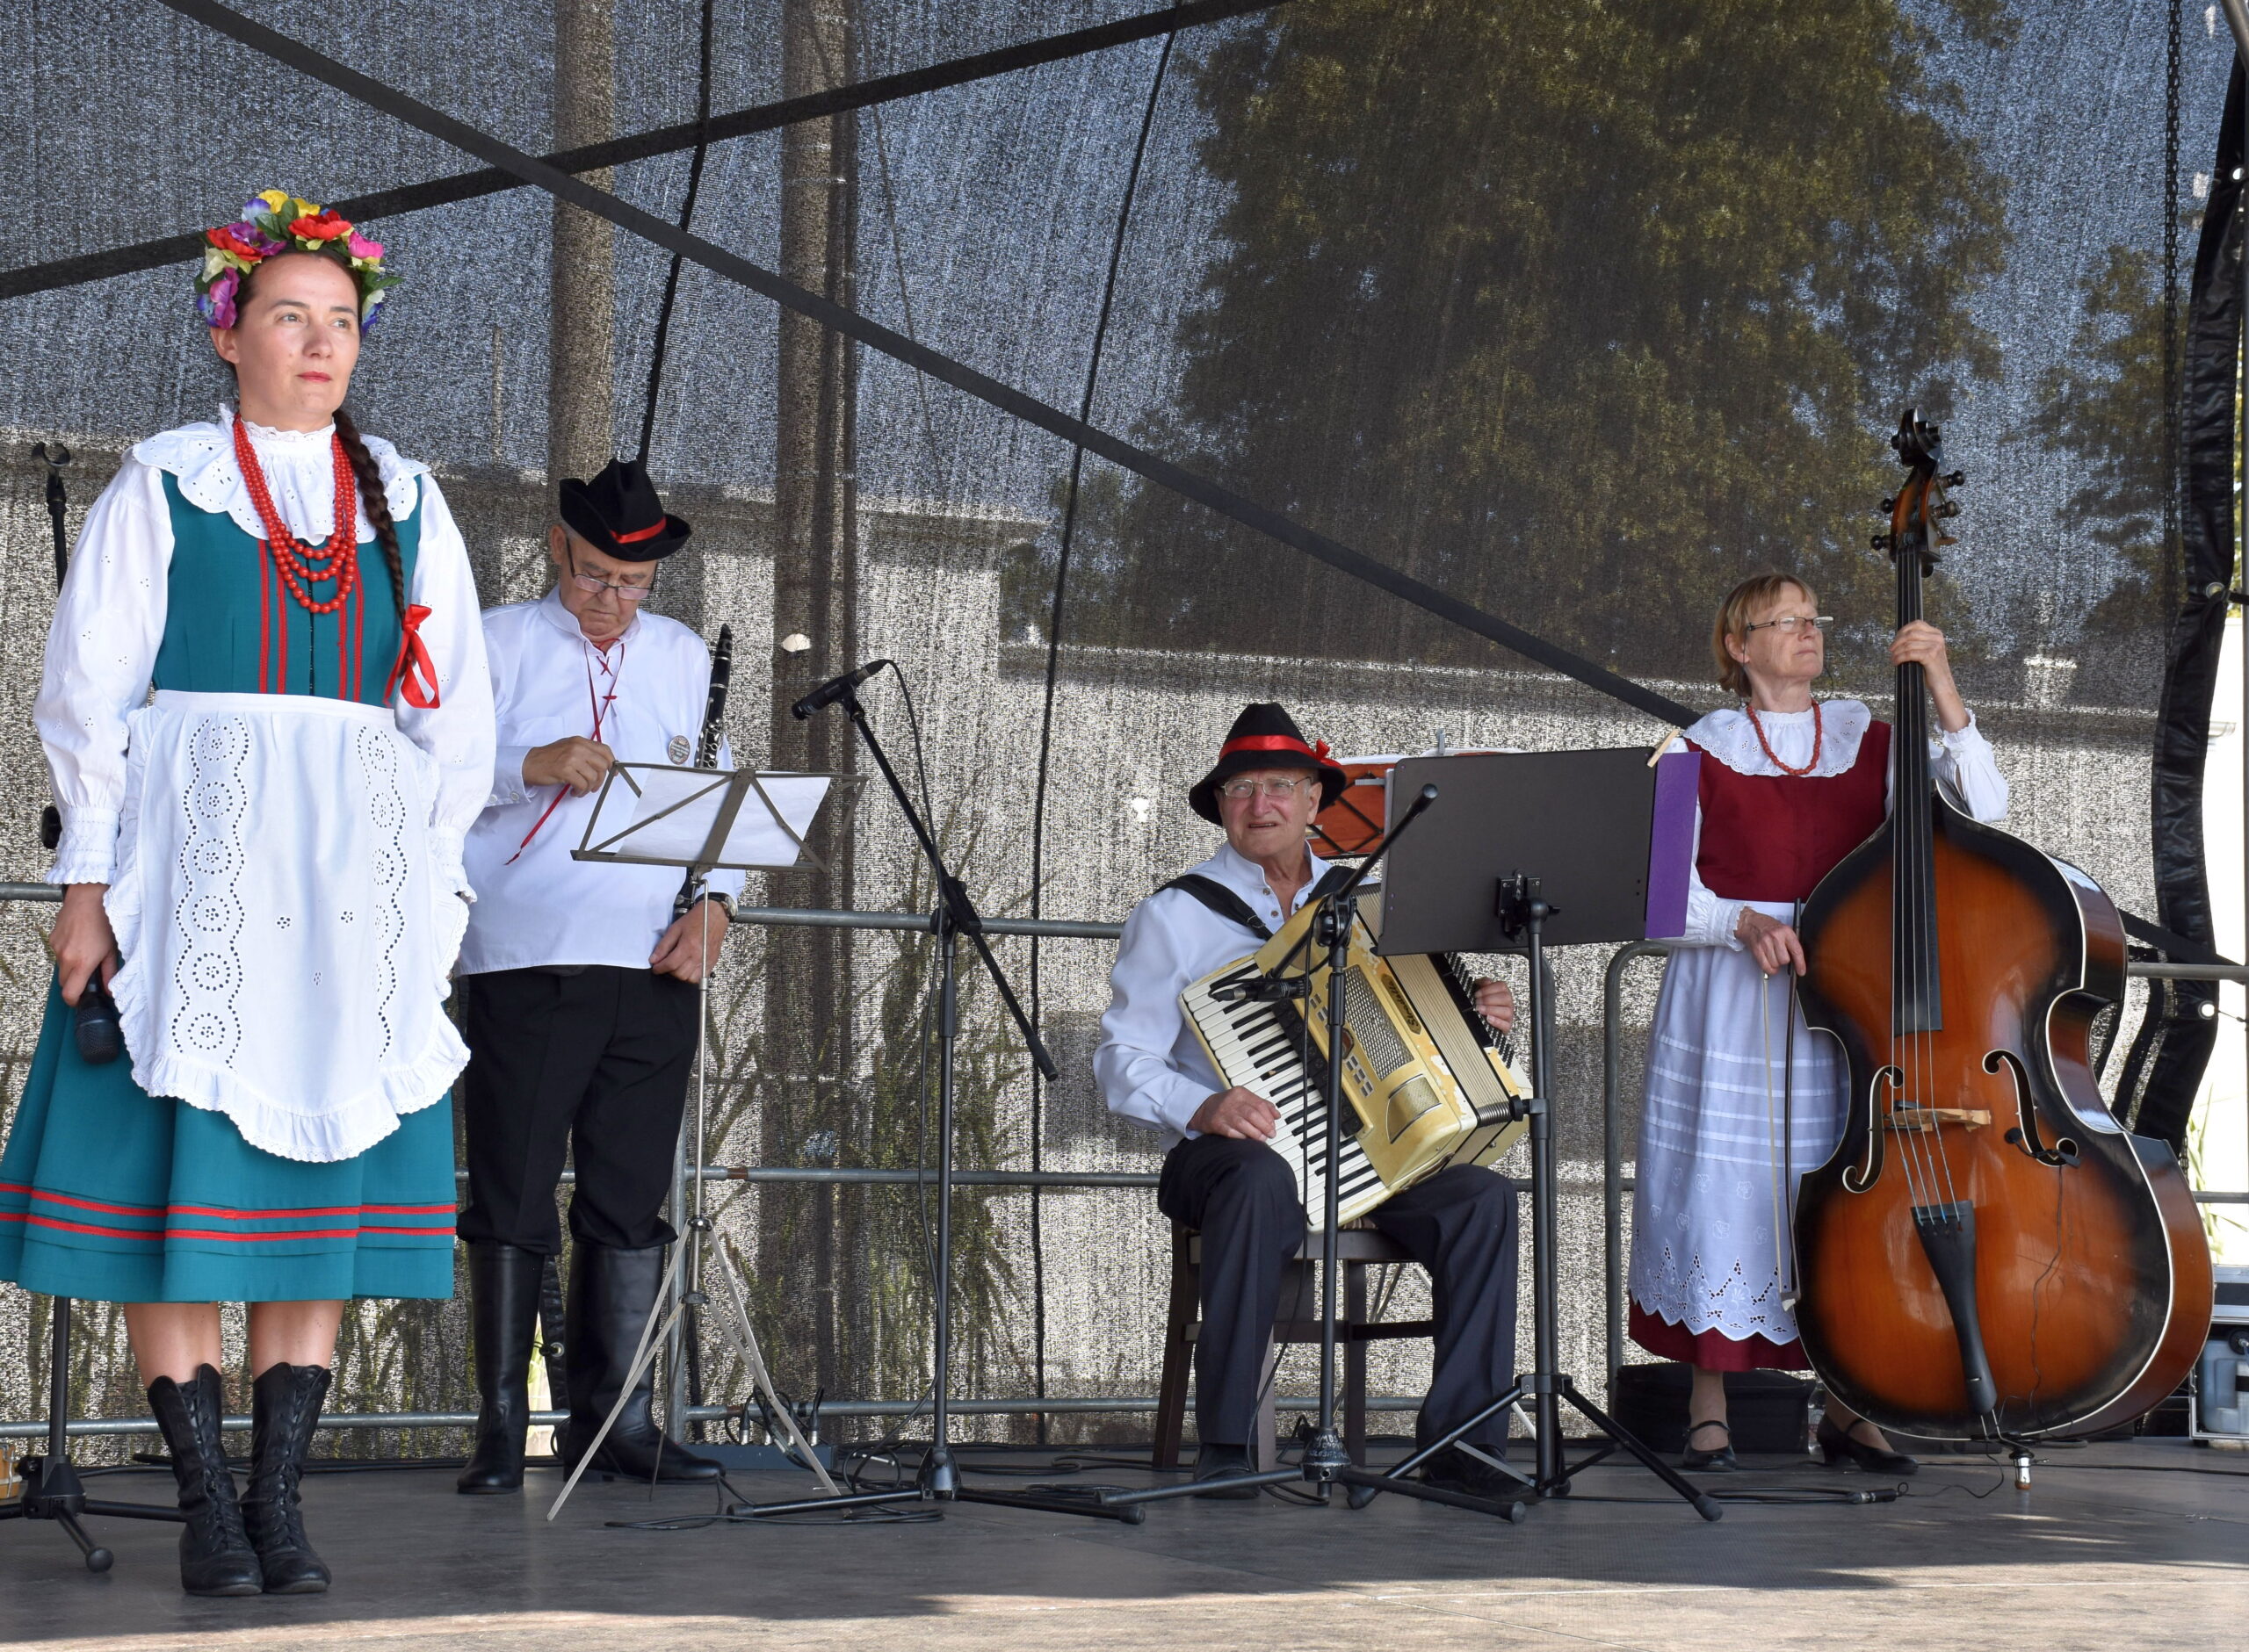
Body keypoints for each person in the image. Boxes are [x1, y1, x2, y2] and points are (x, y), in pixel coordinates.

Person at [0, 191, 493, 1595]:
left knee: (313, 1201)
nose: (322, 343)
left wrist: (429, 904)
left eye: (342, 321)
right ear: (230, 334)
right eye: (291, 316)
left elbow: (454, 727)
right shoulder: (164, 483)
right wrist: (87, 888)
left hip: (346, 901)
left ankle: (281, 1505)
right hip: (192, 892)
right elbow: (88, 701)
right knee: (177, 1203)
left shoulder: (407, 499)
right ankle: (207, 1504)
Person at [1094, 703, 1522, 1498]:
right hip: (1224, 1157)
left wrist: (1481, 1014)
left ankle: (1464, 1444)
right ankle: (1228, 1445)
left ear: (1315, 799)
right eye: (1241, 788)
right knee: (1259, 1178)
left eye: (1281, 785)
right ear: (1221, 806)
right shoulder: (1175, 915)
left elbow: (1421, 1023)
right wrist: (1204, 1106)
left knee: (1484, 1200)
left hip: (1368, 1154)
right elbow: (1121, 1060)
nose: (1261, 804)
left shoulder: (1374, 901)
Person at [1632, 572, 2008, 1475]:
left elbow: (1987, 811)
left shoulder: (1871, 738)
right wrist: (1740, 923)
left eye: (1813, 618)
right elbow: (1657, 897)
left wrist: (1941, 684)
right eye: (1786, 620)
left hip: (1844, 995)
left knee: (1839, 1184)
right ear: (1739, 645)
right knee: (1724, 1189)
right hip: (1730, 1000)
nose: (1809, 631)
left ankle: (1847, 1408)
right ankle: (1708, 1409)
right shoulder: (1693, 749)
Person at [450, 458, 740, 1492]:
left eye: (633, 585)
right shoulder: (493, 642)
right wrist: (527, 763)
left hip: (653, 958)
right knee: (514, 1187)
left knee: (628, 1194)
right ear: (556, 550)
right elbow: (415, 768)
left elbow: (721, 800)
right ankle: (500, 1428)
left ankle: (617, 1422)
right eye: (592, 578)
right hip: (528, 952)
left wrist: (716, 903)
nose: (611, 602)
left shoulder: (683, 655)